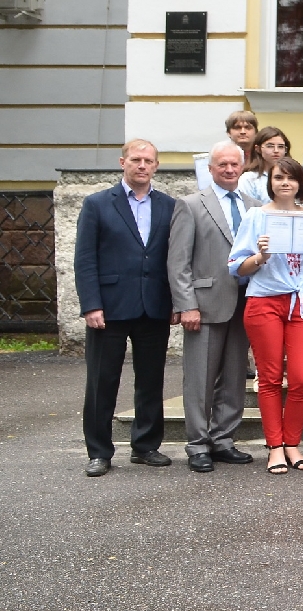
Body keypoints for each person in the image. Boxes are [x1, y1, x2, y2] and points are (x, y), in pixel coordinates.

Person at [75, 140, 177, 477]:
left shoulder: (169, 206)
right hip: (110, 308)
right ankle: (99, 451)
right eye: (136, 159)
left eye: (149, 160)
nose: (142, 165)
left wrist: (177, 302)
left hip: (154, 306)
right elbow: (85, 259)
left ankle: (146, 446)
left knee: (150, 380)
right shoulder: (98, 204)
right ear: (123, 162)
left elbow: (174, 259)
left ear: (157, 166)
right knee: (103, 381)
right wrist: (91, 304)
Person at [168, 139, 260, 472]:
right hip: (204, 305)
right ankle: (197, 444)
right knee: (200, 378)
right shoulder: (191, 204)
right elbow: (178, 262)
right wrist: (186, 305)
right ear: (210, 169)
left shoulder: (253, 205)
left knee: (235, 376)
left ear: (244, 165)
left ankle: (223, 440)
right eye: (222, 164)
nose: (229, 169)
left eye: (235, 164)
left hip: (245, 302)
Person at [229, 156, 303, 473]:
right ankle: (275, 447)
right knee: (270, 378)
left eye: (291, 178)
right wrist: (261, 256)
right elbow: (236, 267)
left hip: (302, 300)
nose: (285, 183)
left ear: (300, 183)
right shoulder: (256, 216)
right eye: (279, 178)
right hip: (265, 301)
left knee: (302, 377)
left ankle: (293, 443)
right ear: (269, 183)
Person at [238, 126, 289, 203]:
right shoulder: (249, 179)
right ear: (258, 149)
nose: (276, 150)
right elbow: (247, 209)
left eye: (281, 147)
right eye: (270, 146)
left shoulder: (293, 177)